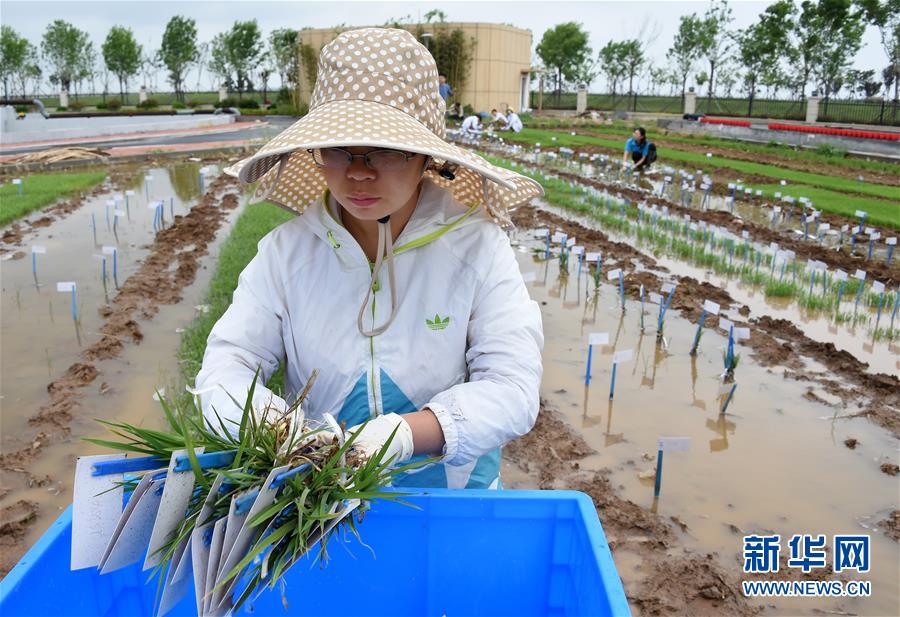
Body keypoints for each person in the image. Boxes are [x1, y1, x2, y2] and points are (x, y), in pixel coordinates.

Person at [195, 27, 545, 490]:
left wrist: (403, 434)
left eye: (387, 149)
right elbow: (227, 365)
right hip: (318, 497)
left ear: (427, 158)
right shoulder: (286, 254)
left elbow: (512, 387)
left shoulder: (476, 247)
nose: (359, 172)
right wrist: (287, 433)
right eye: (338, 148)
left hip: (453, 500)